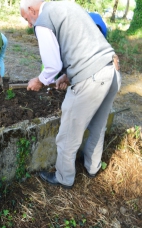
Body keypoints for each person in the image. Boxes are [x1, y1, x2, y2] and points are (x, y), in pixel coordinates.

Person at [20, 0, 121, 188]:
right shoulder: (67, 5)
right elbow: (81, 45)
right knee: (98, 126)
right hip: (111, 70)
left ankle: (64, 178)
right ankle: (92, 168)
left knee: (68, 133)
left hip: (91, 79)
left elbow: (52, 65)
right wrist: (67, 75)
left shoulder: (43, 20)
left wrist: (39, 80)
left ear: (32, 10)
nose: (29, 24)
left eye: (26, 18)